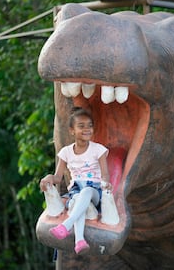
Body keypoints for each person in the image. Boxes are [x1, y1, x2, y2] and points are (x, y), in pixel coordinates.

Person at [39, 107, 112, 255]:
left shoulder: (98, 150)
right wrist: (48, 178)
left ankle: (66, 225)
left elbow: (105, 174)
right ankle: (79, 241)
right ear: (72, 130)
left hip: (95, 191)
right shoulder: (66, 152)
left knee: (85, 192)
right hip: (76, 192)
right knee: (79, 198)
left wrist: (106, 183)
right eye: (81, 126)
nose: (87, 129)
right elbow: (58, 177)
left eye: (90, 126)